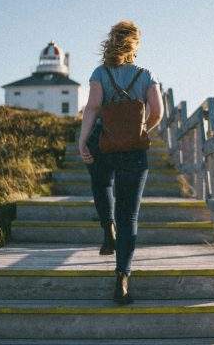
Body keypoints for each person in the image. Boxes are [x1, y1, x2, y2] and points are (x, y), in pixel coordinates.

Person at [78, 20, 163, 304]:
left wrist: (83, 140)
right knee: (131, 215)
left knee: (101, 184)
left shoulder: (99, 73)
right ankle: (122, 279)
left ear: (111, 40)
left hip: (104, 143)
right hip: (134, 151)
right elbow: (158, 112)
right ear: (135, 44)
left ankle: (107, 229)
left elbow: (91, 108)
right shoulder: (146, 74)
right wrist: (140, 132)